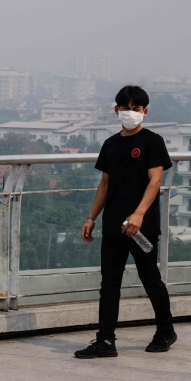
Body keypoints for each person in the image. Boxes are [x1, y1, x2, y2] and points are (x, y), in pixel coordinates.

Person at [74, 85, 176, 358]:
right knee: (109, 283)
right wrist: (91, 217)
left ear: (145, 111)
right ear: (116, 109)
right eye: (125, 107)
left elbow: (156, 181)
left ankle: (165, 331)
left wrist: (140, 214)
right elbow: (105, 184)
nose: (130, 113)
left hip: (143, 227)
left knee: (150, 278)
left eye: (136, 108)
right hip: (113, 225)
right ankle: (105, 341)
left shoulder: (153, 141)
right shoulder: (110, 144)